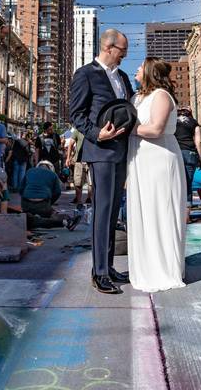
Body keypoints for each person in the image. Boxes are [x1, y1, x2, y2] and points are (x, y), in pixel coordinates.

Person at [69, 28, 134, 295]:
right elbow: (76, 114)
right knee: (103, 211)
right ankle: (99, 273)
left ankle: (108, 266)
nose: (125, 56)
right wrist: (98, 134)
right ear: (108, 48)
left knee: (113, 212)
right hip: (101, 151)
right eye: (122, 51)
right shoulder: (85, 74)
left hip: (122, 152)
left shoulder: (123, 77)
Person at [127, 57, 186, 293]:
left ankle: (163, 268)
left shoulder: (161, 95)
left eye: (141, 66)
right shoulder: (137, 97)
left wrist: (125, 129)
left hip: (159, 158)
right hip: (141, 159)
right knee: (144, 212)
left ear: (150, 71)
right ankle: (146, 266)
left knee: (161, 211)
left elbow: (156, 129)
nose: (137, 69)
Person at [20, 160, 82, 230]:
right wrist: (50, 203)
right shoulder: (53, 174)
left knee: (31, 218)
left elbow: (21, 189)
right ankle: (65, 221)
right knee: (49, 214)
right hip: (43, 203)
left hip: (26, 203)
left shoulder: (30, 171)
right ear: (50, 168)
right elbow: (57, 192)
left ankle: (66, 221)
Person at [174, 106, 201, 207]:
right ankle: (187, 211)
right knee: (187, 183)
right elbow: (198, 141)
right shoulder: (193, 122)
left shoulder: (172, 121)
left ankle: (176, 208)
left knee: (175, 181)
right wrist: (200, 158)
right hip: (190, 153)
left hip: (175, 152)